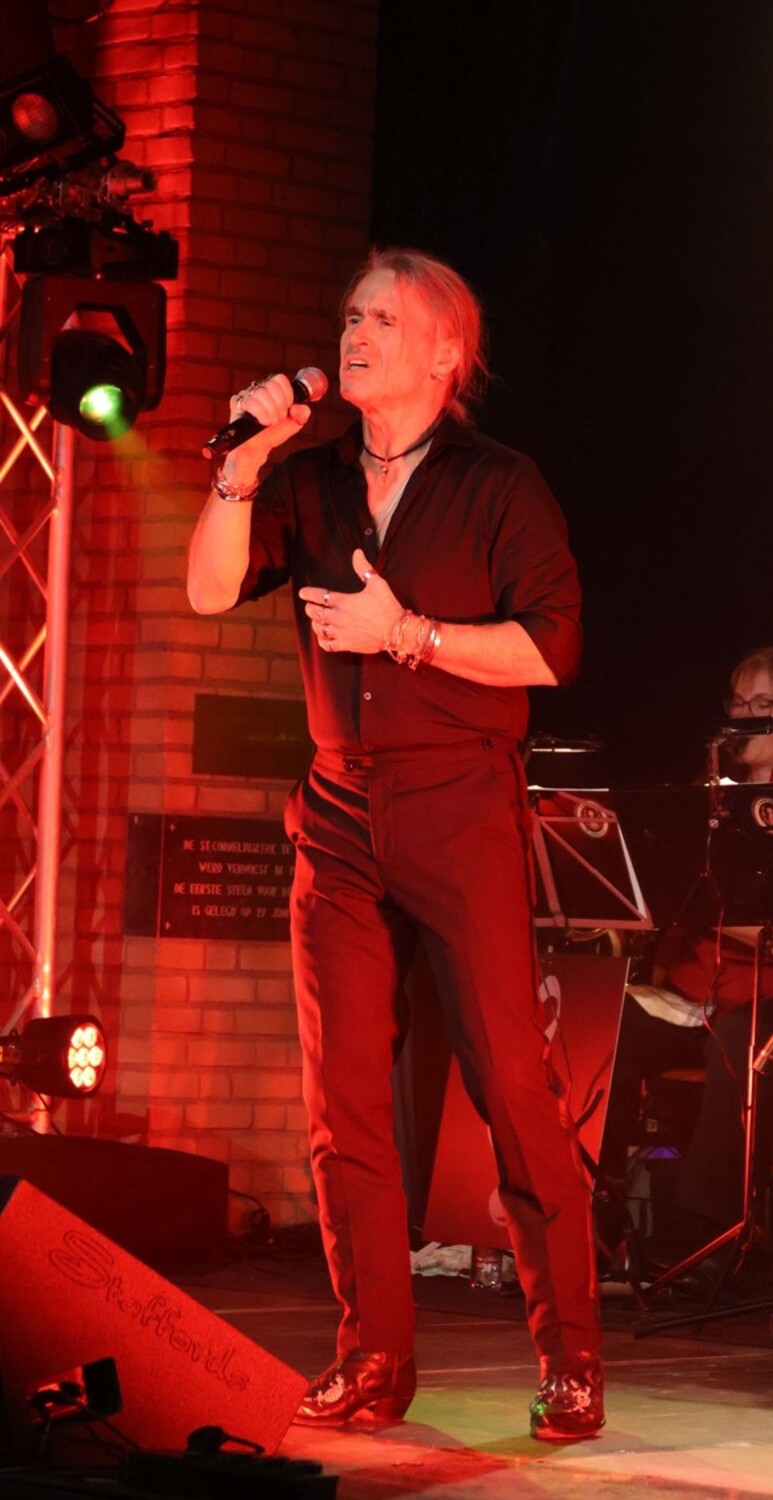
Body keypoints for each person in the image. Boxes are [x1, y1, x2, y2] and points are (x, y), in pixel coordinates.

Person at [186, 246, 603, 1441]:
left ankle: (570, 1362)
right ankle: (371, 1357)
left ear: (444, 353)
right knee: (343, 1105)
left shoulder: (499, 485)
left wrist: (406, 633)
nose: (354, 334)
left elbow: (550, 649)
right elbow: (209, 592)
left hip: (459, 805)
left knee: (511, 1087)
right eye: (350, 316)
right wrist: (241, 465)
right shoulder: (310, 480)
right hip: (336, 813)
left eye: (382, 318)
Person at [601, 647, 773, 1263]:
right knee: (604, 1026)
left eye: (766, 705)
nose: (746, 717)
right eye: (740, 703)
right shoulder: (715, 797)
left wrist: (706, 906)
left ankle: (702, 1240)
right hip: (705, 991)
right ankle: (594, 1218)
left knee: (740, 1037)